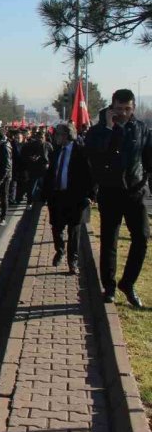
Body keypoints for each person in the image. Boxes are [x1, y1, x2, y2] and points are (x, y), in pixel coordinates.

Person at [85, 89, 151, 306]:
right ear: (112, 107)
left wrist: (143, 183)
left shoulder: (140, 129)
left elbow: (148, 160)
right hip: (110, 191)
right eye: (119, 109)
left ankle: (128, 283)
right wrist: (109, 129)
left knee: (141, 238)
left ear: (133, 108)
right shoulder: (98, 131)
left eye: (127, 109)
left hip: (135, 192)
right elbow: (96, 156)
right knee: (109, 240)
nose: (123, 113)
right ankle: (109, 286)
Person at [41, 123, 94, 276]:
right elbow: (51, 173)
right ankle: (60, 250)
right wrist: (44, 194)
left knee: (74, 231)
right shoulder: (56, 151)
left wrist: (90, 195)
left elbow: (90, 174)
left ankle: (73, 262)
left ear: (66, 135)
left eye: (58, 134)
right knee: (56, 228)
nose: (55, 136)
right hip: (56, 197)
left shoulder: (81, 152)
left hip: (75, 198)